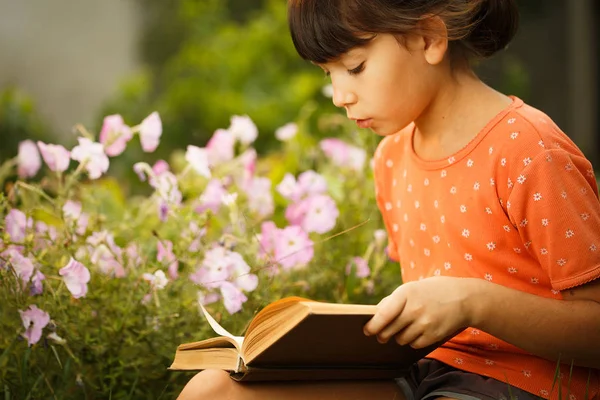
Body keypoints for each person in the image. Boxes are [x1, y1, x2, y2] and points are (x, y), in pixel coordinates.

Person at [178, 0, 600, 399]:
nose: (340, 95)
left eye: (355, 67)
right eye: (329, 74)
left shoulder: (530, 150)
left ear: (429, 39)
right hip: (423, 374)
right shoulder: (392, 157)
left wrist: (475, 302)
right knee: (211, 390)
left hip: (527, 382)